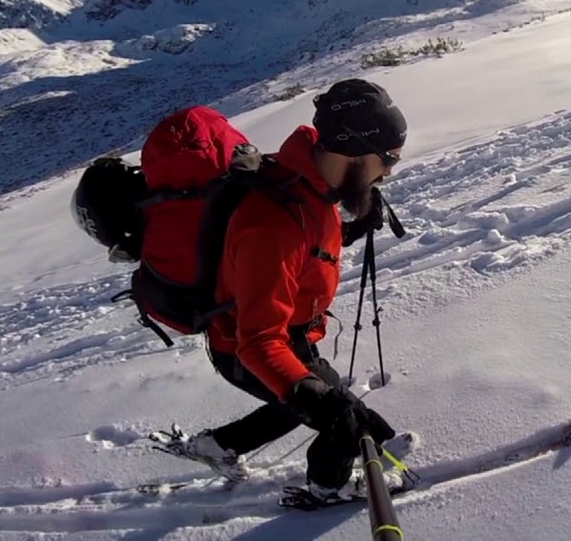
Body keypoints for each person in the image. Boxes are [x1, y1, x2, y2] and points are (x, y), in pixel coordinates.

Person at [155, 78, 409, 500]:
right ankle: (329, 487)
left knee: (321, 404)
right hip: (248, 347)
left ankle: (218, 446)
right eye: (388, 161)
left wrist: (348, 228)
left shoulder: (309, 181)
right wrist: (314, 399)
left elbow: (303, 250)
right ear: (356, 153)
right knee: (335, 416)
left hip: (290, 333)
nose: (387, 174)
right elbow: (258, 341)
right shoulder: (272, 225)